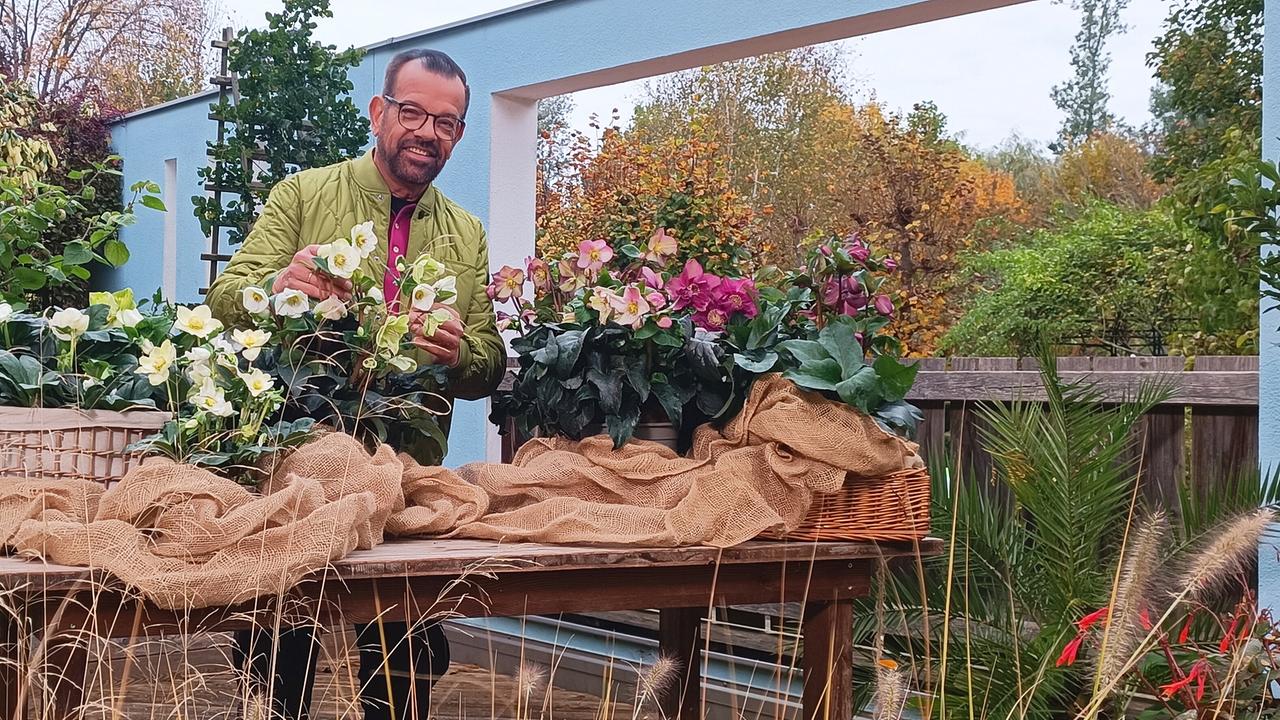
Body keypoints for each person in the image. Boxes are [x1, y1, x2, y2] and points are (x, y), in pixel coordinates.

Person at [206, 48, 506, 720]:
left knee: (403, 671)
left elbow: (488, 363)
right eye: (413, 112)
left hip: (405, 488)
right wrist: (275, 285)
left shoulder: (466, 231)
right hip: (298, 485)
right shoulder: (305, 196)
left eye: (448, 122)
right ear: (379, 113)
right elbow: (225, 296)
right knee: (279, 659)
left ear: (458, 135)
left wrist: (459, 353)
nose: (428, 131)